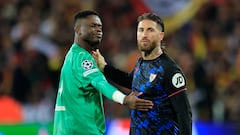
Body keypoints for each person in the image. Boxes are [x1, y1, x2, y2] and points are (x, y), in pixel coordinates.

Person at [53, 10, 154, 135]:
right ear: (78, 30)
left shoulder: (72, 55)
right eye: (93, 26)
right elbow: (101, 84)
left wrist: (105, 67)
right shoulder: (82, 58)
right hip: (81, 130)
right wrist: (125, 99)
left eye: (100, 26)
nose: (98, 30)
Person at [93, 13, 192, 135]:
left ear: (161, 36)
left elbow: (184, 112)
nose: (144, 35)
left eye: (150, 30)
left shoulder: (169, 70)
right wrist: (104, 67)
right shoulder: (141, 63)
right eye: (141, 30)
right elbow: (130, 81)